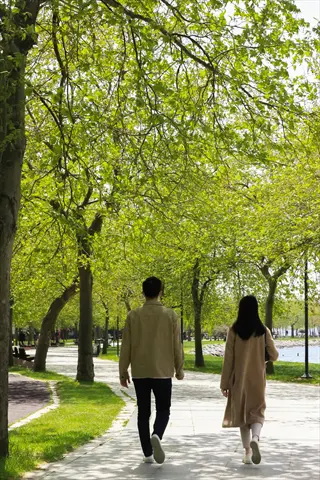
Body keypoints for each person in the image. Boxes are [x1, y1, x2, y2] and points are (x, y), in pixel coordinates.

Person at [119, 276, 184, 464]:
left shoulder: (133, 315)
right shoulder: (170, 315)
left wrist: (123, 371)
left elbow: (126, 346)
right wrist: (179, 368)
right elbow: (176, 346)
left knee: (143, 412)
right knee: (164, 409)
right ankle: (157, 434)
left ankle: (147, 452)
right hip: (162, 371)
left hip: (140, 371)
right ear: (161, 292)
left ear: (143, 292)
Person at [220, 295, 278, 465]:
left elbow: (228, 359)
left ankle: (247, 453)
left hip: (239, 380)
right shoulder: (263, 331)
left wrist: (224, 384)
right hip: (258, 380)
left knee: (242, 415)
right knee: (258, 412)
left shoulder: (234, 331)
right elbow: (274, 355)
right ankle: (256, 438)